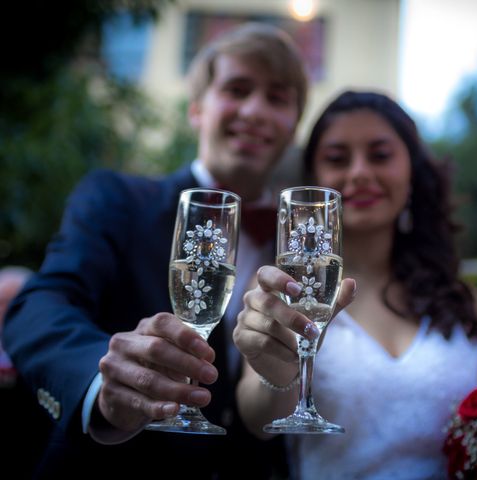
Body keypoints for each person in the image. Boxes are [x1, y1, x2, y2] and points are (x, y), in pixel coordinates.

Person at [3, 22, 310, 479]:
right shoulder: (118, 200)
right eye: (237, 88)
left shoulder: (300, 243)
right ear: (196, 109)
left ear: (292, 126)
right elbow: (39, 306)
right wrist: (101, 381)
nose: (255, 110)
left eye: (278, 98)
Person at [233, 90, 477, 479]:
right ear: (314, 178)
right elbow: (257, 421)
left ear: (412, 173)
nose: (359, 173)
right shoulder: (284, 290)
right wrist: (276, 372)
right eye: (337, 159)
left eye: (380, 155)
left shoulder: (468, 304)